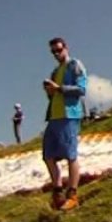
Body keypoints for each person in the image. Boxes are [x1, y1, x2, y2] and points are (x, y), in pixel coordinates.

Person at [43, 36, 88, 211]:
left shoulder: (75, 65)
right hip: (54, 116)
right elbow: (53, 95)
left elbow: (82, 89)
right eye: (53, 52)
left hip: (70, 115)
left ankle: (73, 194)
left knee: (71, 155)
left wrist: (60, 88)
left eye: (59, 50)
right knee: (48, 155)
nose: (56, 53)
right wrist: (49, 91)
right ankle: (57, 192)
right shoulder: (55, 72)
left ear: (66, 48)